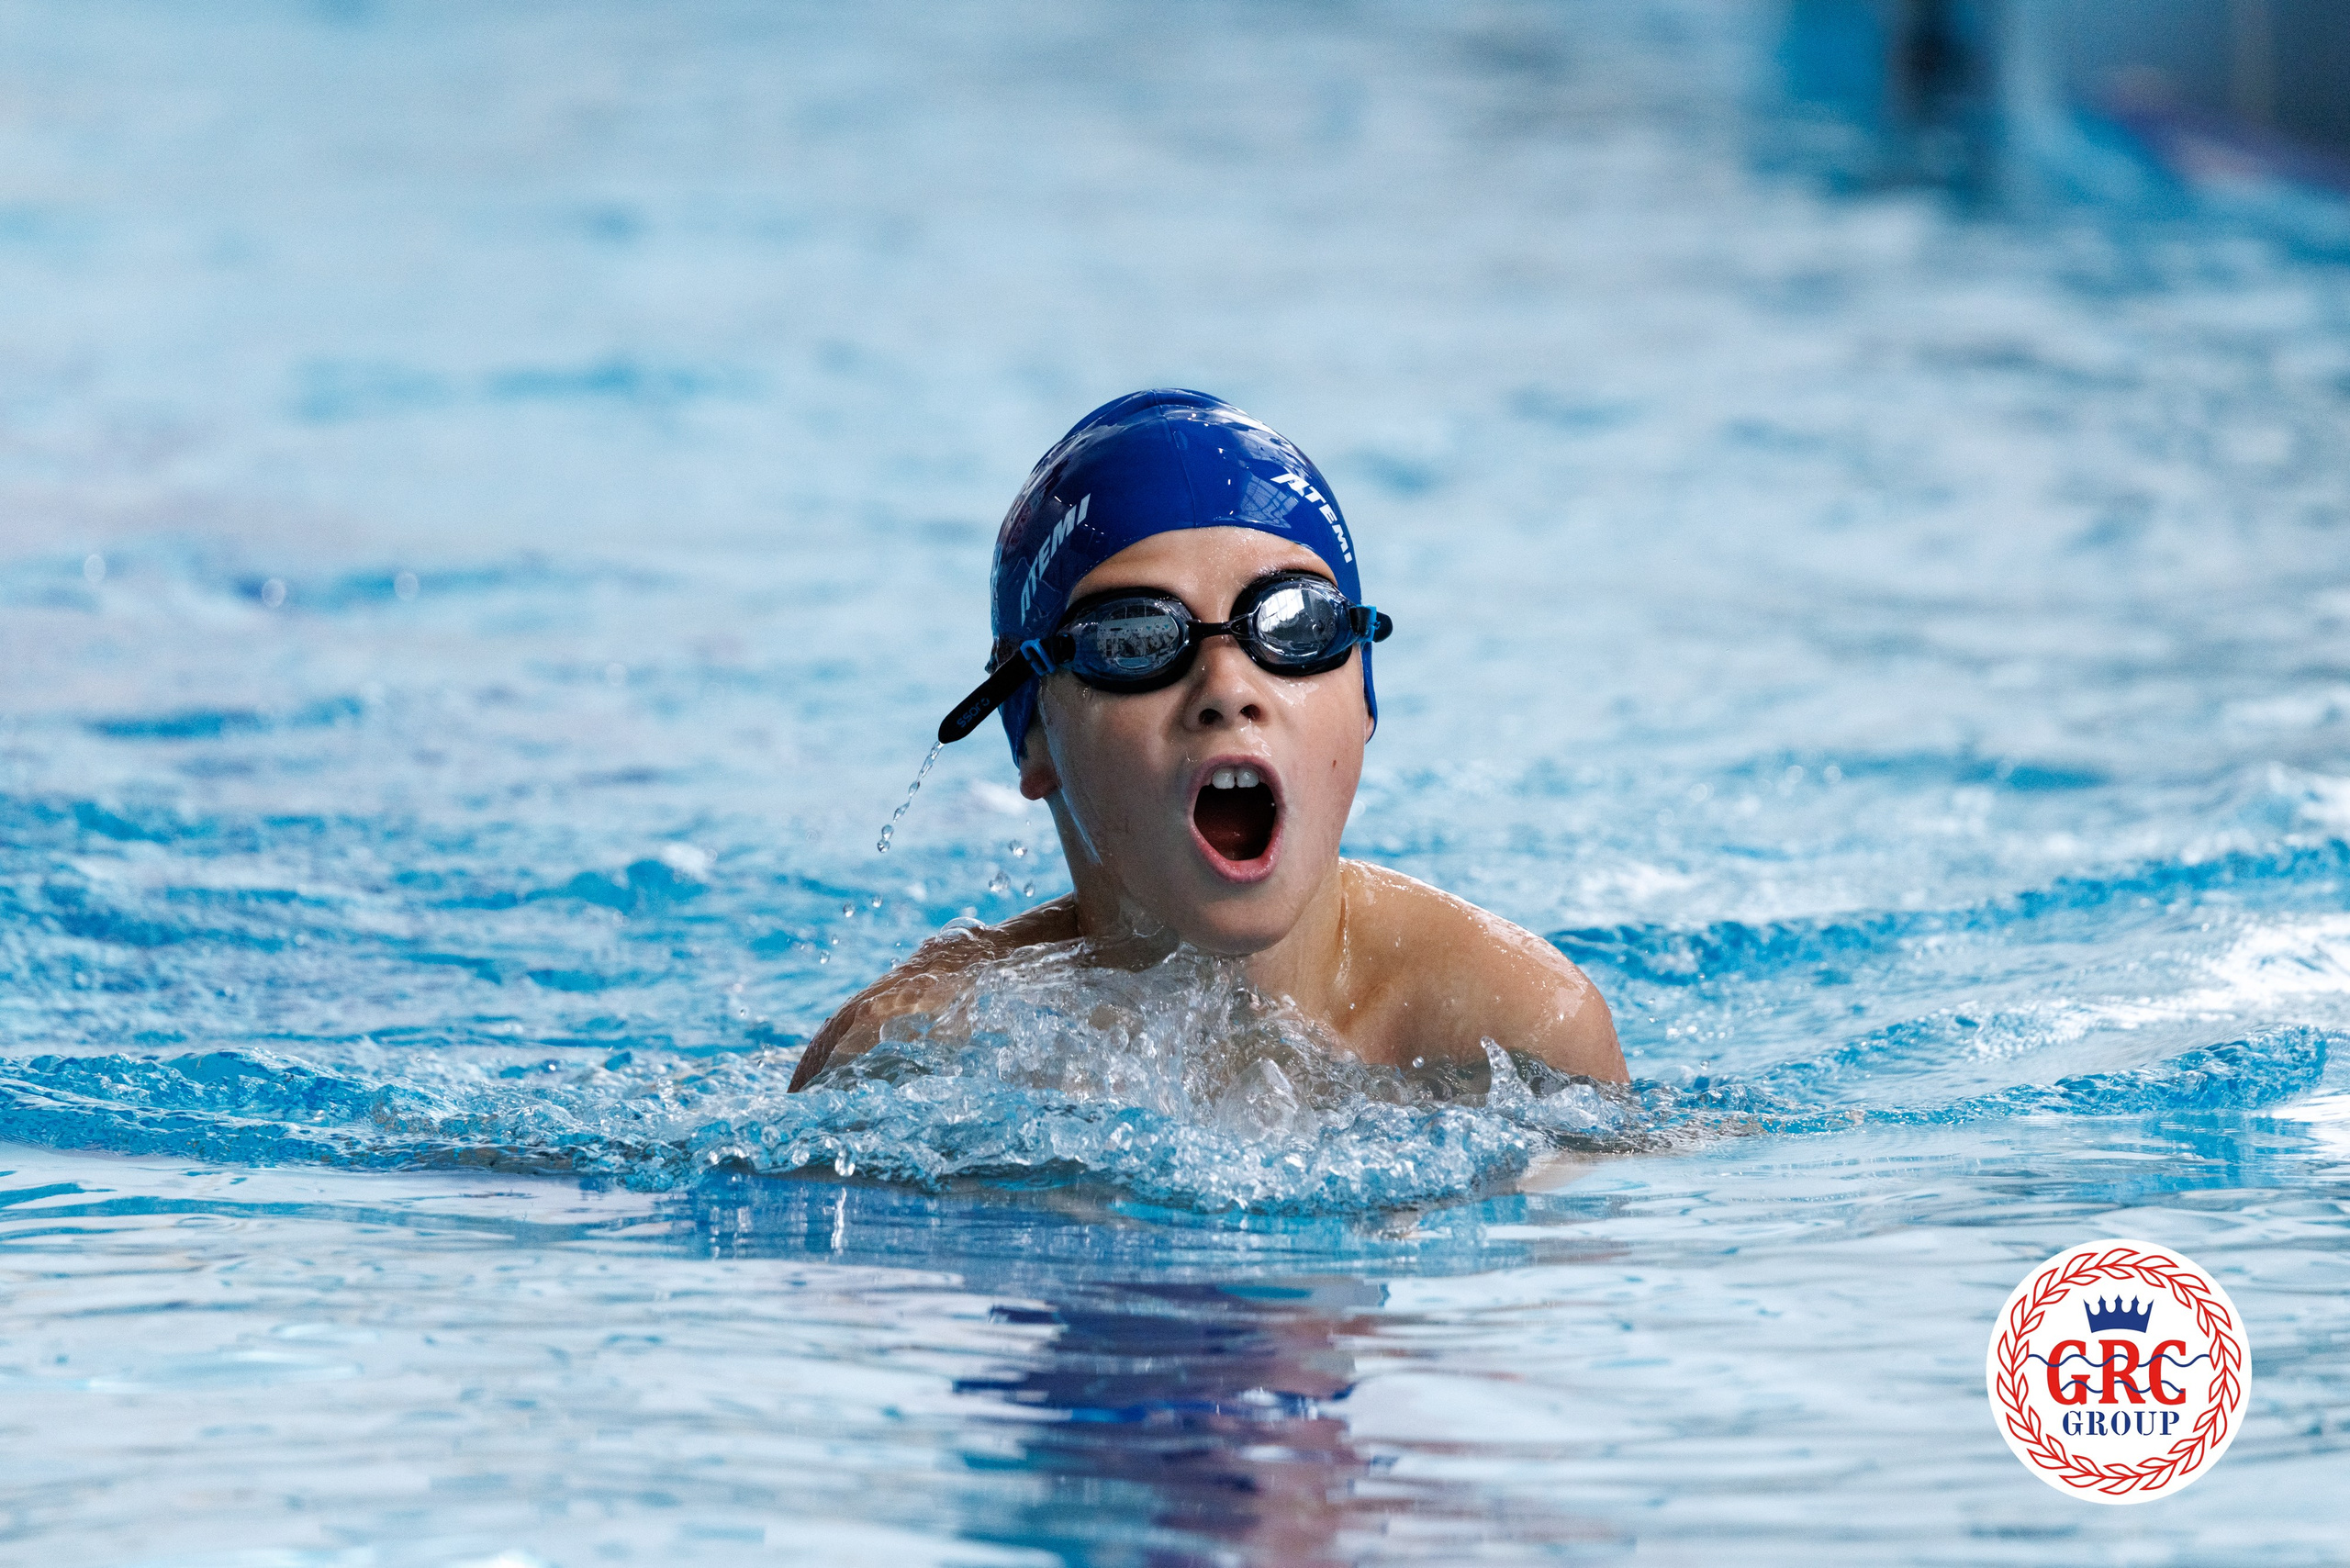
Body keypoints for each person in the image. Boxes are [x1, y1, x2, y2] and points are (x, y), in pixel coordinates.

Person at [789, 390, 1622, 1092]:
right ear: (1035, 733)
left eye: (1295, 624)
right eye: (1133, 640)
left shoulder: (1520, 1030)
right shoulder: (914, 1054)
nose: (1227, 690)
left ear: (1363, 697)